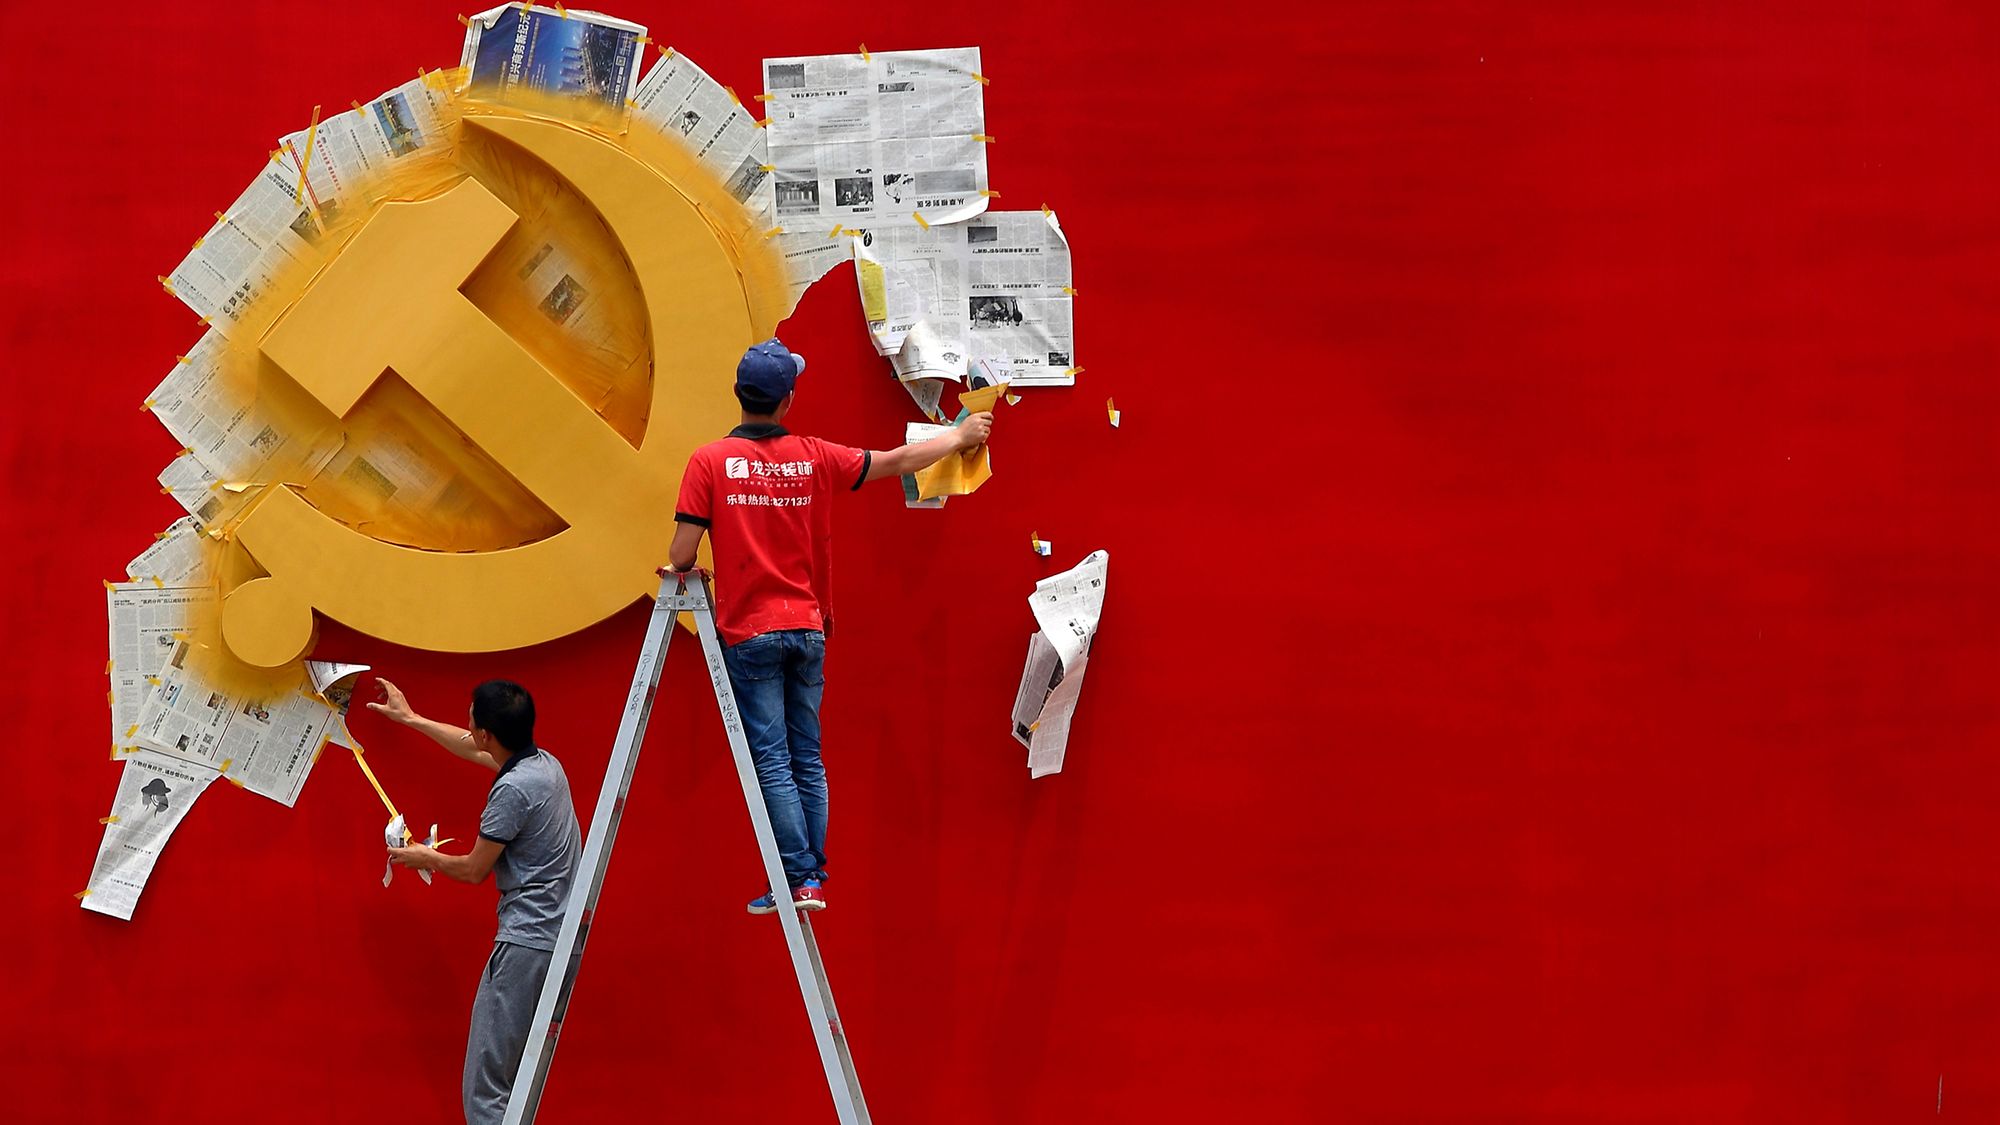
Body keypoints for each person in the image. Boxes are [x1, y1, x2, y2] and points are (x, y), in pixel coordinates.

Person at [666, 338, 993, 914]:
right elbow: (894, 462)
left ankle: (795, 877)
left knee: (771, 758)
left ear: (739, 396)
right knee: (808, 756)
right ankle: (810, 879)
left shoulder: (708, 462)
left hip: (750, 632)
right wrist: (961, 438)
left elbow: (684, 552)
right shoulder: (815, 456)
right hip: (808, 626)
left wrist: (687, 566)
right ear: (788, 399)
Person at [371, 678, 581, 1125]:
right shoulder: (545, 767)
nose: (467, 725)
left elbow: (473, 870)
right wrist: (410, 718)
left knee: (486, 1094)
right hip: (560, 942)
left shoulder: (511, 792)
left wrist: (423, 857)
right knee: (516, 1089)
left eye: (471, 718)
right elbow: (471, 748)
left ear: (487, 733)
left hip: (526, 944)